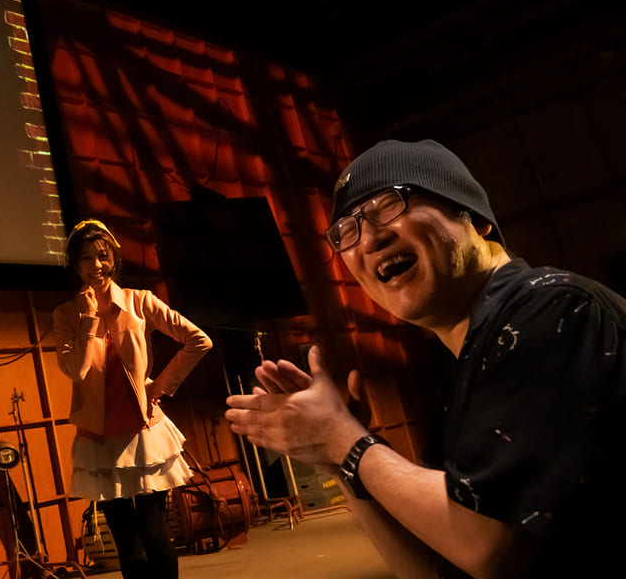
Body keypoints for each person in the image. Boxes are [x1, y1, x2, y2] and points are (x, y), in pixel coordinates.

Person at [225, 139, 626, 578]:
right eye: (347, 231)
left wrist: (344, 439)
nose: (370, 239)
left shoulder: (554, 308)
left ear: (476, 218)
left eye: (389, 206)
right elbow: (435, 568)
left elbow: (488, 548)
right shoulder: (463, 370)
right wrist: (337, 460)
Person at [52, 219, 212, 579]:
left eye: (103, 256)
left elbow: (199, 340)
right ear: (74, 265)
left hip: (144, 433)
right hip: (99, 439)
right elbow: (77, 370)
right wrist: (89, 319)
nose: (96, 265)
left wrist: (161, 386)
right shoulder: (66, 316)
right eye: (86, 258)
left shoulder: (140, 301)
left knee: (154, 533)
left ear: (114, 259)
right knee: (126, 541)